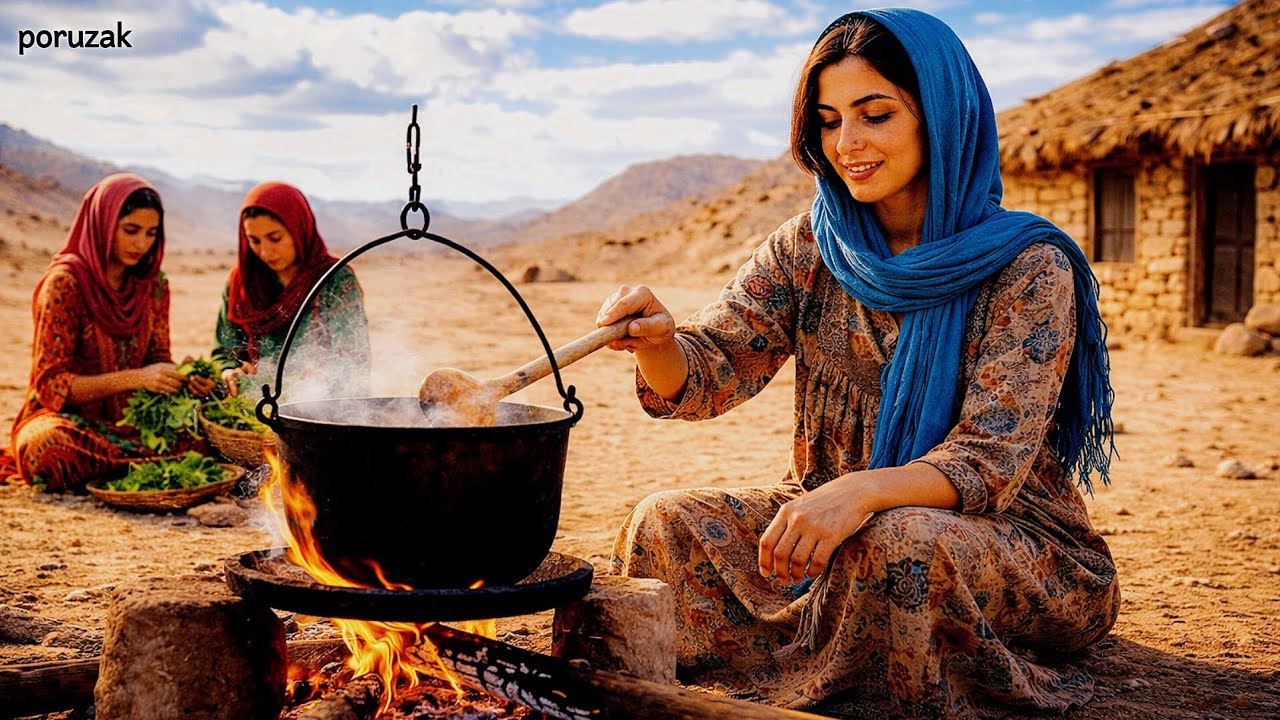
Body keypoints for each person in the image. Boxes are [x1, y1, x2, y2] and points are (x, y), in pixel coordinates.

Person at [596, 9, 1120, 718]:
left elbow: (987, 461)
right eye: (829, 119)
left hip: (1003, 537)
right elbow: (712, 370)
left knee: (895, 546)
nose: (848, 144)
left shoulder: (1027, 265)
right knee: (663, 524)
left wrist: (862, 493)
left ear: (940, 115)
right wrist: (660, 343)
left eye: (876, 114)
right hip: (832, 517)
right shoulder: (812, 245)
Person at [0, 174, 215, 492]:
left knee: (205, 431)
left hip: (133, 427)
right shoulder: (64, 285)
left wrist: (181, 376)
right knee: (45, 449)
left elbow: (157, 358)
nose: (141, 244)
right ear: (102, 223)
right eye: (130, 230)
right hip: (71, 424)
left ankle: (120, 467)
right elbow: (51, 387)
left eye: (151, 233)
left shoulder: (154, 286)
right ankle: (141, 464)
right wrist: (136, 378)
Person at [213, 181, 370, 401]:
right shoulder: (242, 283)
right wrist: (229, 371)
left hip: (321, 409)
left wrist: (274, 385)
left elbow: (352, 363)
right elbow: (224, 350)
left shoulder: (334, 280)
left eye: (275, 238)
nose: (266, 251)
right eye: (254, 241)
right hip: (254, 407)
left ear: (299, 229)